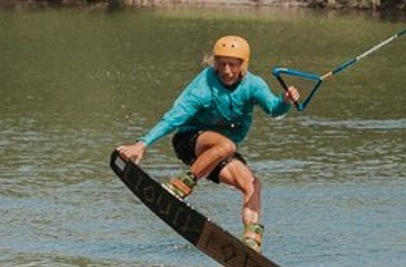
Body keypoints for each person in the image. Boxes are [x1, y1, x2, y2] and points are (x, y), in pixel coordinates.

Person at [116, 35, 298, 253]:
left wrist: (285, 101)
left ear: (243, 65)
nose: (227, 71)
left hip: (219, 155)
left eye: (233, 65)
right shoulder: (203, 86)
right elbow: (174, 117)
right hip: (190, 141)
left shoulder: (253, 85)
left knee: (252, 185)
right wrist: (142, 143)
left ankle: (251, 241)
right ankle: (177, 188)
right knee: (227, 146)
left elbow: (273, 109)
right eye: (222, 64)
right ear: (215, 63)